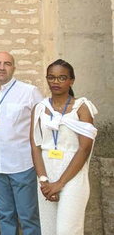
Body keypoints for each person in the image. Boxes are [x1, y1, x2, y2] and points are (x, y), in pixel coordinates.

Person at [0, 51, 43, 235]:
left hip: (22, 164)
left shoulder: (29, 92)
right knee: (5, 215)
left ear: (14, 67)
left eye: (7, 63)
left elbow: (41, 125)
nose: (1, 67)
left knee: (28, 216)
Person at [30, 59, 97, 235]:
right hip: (46, 171)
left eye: (62, 78)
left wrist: (59, 183)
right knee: (49, 230)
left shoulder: (82, 107)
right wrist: (44, 181)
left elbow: (84, 149)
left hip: (73, 173)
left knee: (67, 230)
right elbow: (35, 146)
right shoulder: (39, 108)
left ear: (71, 81)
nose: (56, 82)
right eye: (51, 77)